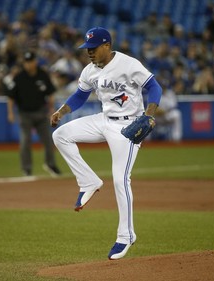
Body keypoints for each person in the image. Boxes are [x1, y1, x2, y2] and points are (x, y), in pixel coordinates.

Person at [50, 27, 162, 260]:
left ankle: (126, 235)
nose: (89, 52)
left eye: (93, 48)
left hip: (128, 126)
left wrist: (150, 113)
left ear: (107, 46)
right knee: (60, 135)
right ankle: (89, 181)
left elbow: (154, 87)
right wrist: (61, 111)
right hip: (104, 120)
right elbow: (80, 95)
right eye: (86, 48)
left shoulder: (128, 64)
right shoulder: (90, 71)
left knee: (121, 180)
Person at [5, 51, 61, 177]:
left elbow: (51, 93)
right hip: (25, 114)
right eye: (26, 62)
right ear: (24, 63)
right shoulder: (19, 77)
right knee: (25, 142)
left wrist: (52, 108)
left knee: (48, 141)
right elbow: (10, 97)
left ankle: (50, 164)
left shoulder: (43, 75)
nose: (29, 64)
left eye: (31, 61)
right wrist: (10, 113)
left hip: (41, 113)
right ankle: (26, 168)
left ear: (35, 61)